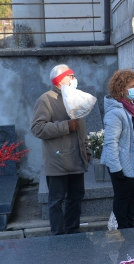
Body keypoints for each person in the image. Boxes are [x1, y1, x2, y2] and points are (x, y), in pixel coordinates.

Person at [31, 64, 91, 235]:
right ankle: (58, 236)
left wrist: (86, 149)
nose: (74, 79)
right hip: (58, 162)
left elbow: (81, 128)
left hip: (77, 159)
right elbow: (37, 128)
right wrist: (65, 126)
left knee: (76, 197)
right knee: (56, 200)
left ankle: (73, 231)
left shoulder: (75, 97)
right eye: (71, 75)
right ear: (60, 79)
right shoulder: (46, 99)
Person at [101, 69, 134, 229]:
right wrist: (116, 169)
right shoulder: (115, 112)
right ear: (121, 88)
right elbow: (111, 142)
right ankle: (124, 233)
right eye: (132, 86)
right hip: (122, 164)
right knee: (122, 199)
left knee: (132, 198)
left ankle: (131, 230)